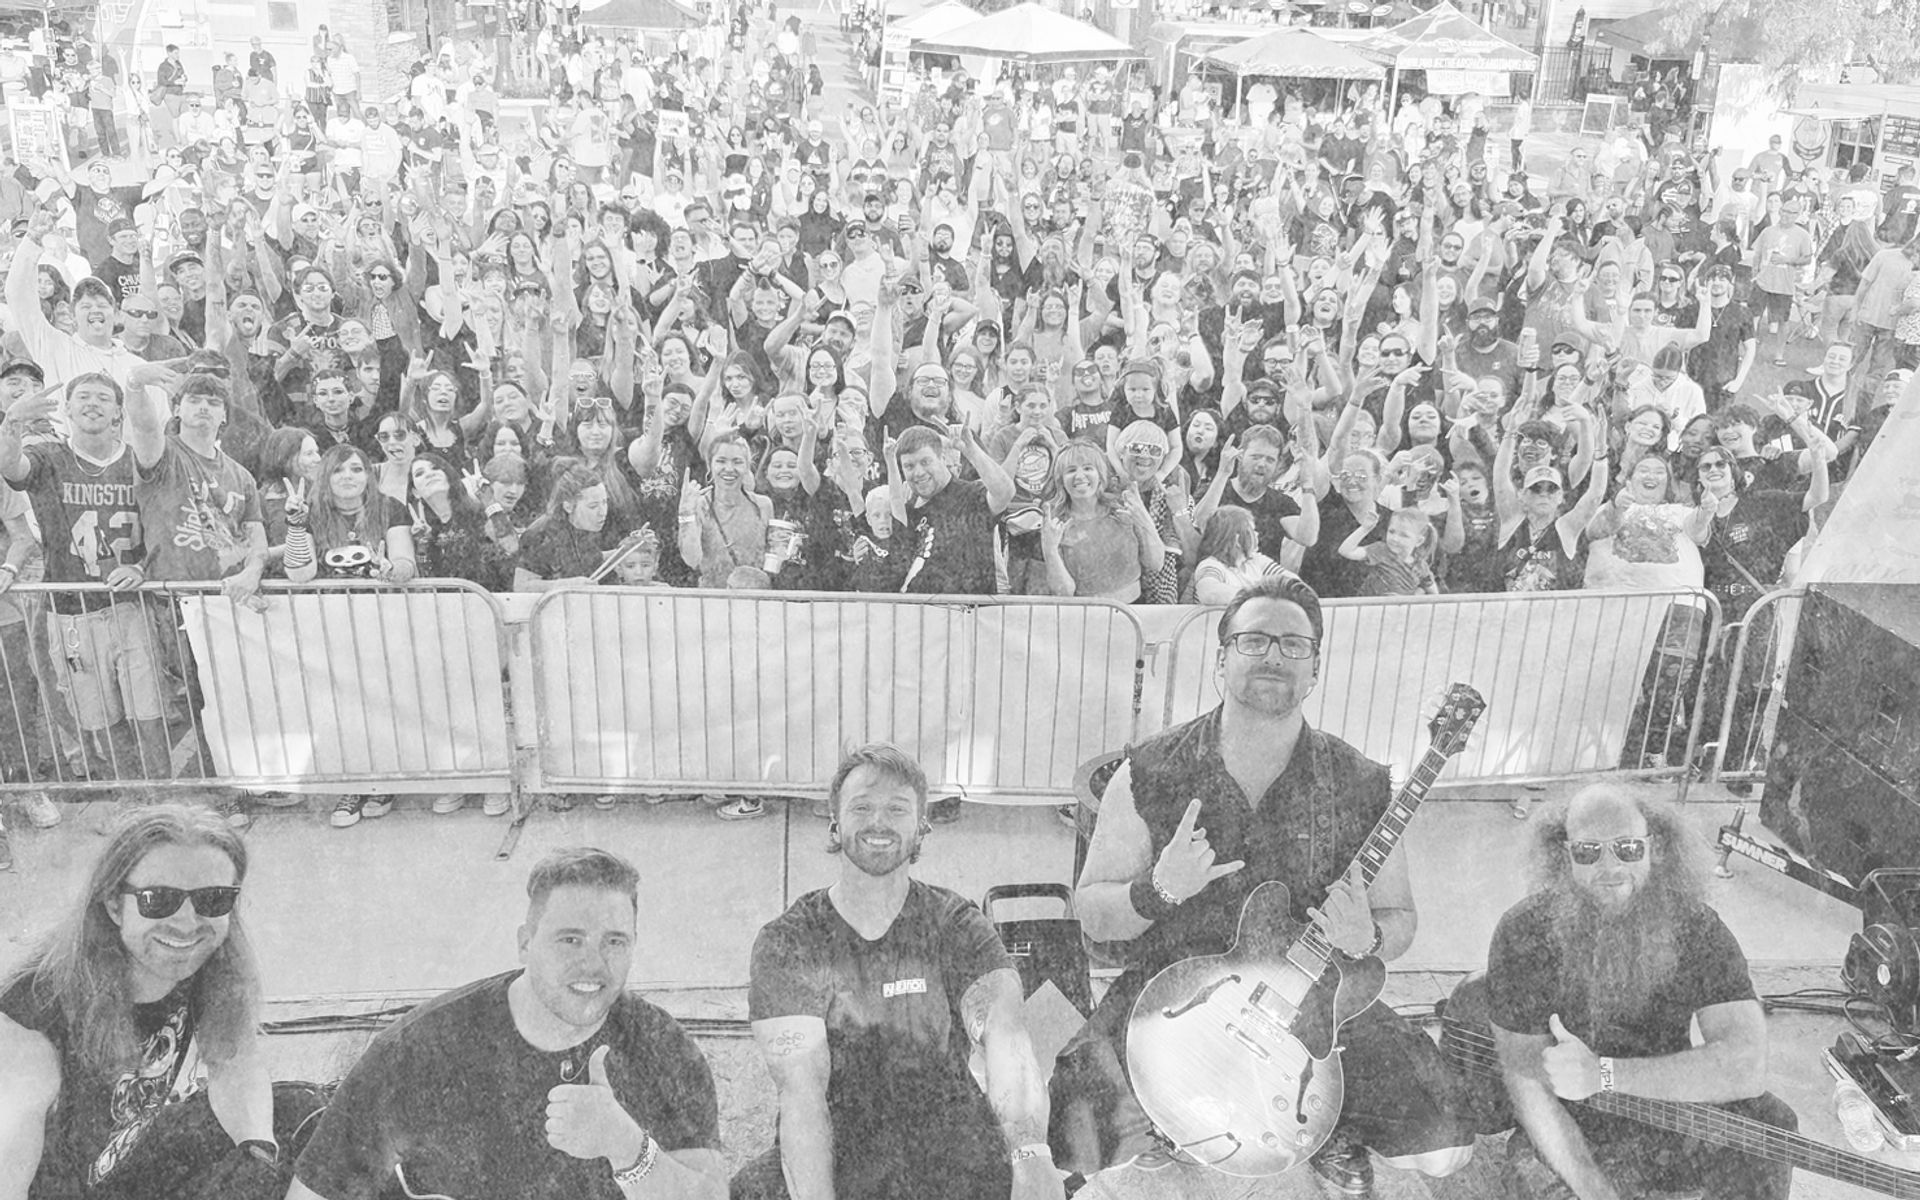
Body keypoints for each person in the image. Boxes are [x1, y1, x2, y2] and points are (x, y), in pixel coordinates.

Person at [1057, 575, 1475, 1197]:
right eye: (1253, 641)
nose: (1273, 655)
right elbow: (1093, 912)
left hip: (1313, 1004)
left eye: (1293, 645)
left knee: (1446, 1146)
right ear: (1221, 660)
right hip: (1177, 994)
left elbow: (1400, 916)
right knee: (1073, 1135)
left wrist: (1367, 936)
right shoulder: (1151, 769)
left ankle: (1326, 1128)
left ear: (1315, 670)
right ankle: (1171, 1110)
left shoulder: (1359, 781)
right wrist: (1158, 890)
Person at [287, 846, 728, 1200]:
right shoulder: (420, 1050)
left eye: (614, 942)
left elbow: (710, 1193)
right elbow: (315, 1191)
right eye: (570, 939)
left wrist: (627, 1146)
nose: (593, 963)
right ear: (524, 943)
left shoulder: (661, 1047)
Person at [734, 742, 1064, 1200]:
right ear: (835, 822)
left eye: (897, 808)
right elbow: (802, 1096)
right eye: (861, 807)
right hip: (842, 1144)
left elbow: (1006, 1038)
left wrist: (1031, 1159)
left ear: (922, 826)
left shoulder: (955, 923)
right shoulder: (790, 941)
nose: (879, 821)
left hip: (950, 1144)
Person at [1486, 785, 1798, 1200]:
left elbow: (1746, 1066)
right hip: (1574, 1120)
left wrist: (1602, 1074)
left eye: (1628, 848)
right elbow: (1527, 1086)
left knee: (1770, 1125)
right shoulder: (1523, 932)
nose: (1610, 866)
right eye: (1588, 851)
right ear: (1563, 856)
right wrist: (1595, 1190)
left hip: (1666, 1103)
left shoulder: (1697, 928)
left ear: (1657, 849)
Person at [0, 803, 327, 1198]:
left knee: (305, 1111)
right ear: (114, 905)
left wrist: (255, 1157)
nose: (187, 923)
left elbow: (234, 1059)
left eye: (213, 899)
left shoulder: (205, 965)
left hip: (124, 1172)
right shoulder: (28, 1033)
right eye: (158, 899)